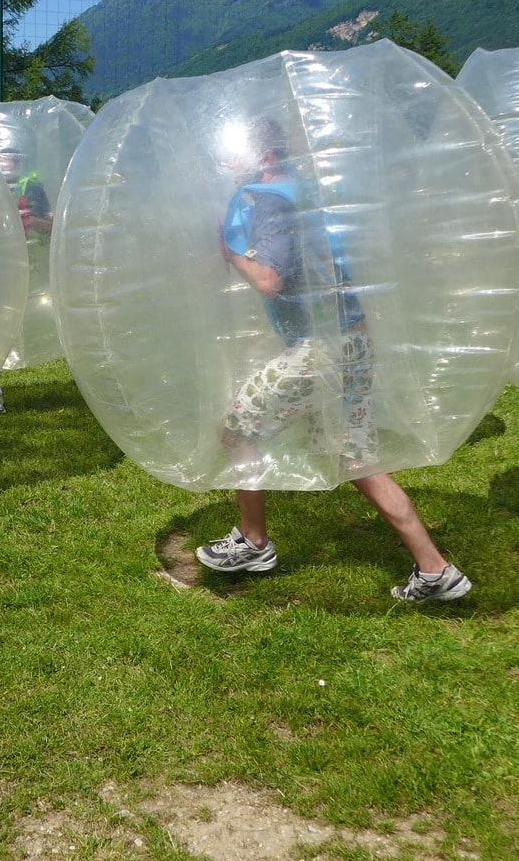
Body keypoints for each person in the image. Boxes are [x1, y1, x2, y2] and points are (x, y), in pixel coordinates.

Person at [194, 119, 474, 602]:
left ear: (264, 156)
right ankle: (436, 570)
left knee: (237, 427)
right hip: (354, 340)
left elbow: (270, 279)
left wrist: (230, 253)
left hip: (323, 347)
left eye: (235, 153)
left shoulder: (268, 199)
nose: (226, 163)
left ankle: (253, 542)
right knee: (353, 457)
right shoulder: (305, 192)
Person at [0, 142, 54, 415]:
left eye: (10, 162)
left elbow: (51, 226)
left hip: (26, 273)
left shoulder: (31, 188)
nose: (4, 169)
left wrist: (29, 220)